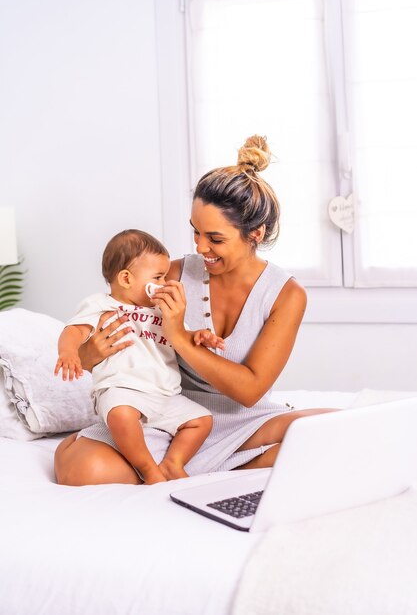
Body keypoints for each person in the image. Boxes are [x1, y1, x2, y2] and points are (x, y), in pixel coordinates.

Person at [54, 134, 333, 486]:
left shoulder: (286, 294)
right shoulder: (170, 274)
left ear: (256, 234)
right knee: (83, 468)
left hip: (244, 419)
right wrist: (90, 354)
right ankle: (206, 468)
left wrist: (180, 338)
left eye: (215, 238)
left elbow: (249, 391)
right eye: (195, 232)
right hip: (169, 417)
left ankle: (216, 467)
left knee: (336, 429)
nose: (200, 247)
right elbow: (111, 331)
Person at [54, 229, 223, 484]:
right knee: (122, 415)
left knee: (201, 420)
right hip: (120, 388)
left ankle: (172, 463)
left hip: (164, 394)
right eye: (158, 276)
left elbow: (182, 337)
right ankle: (147, 468)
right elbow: (73, 330)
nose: (165, 283)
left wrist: (200, 336)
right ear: (126, 278)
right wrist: (68, 353)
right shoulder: (101, 305)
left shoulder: (161, 309)